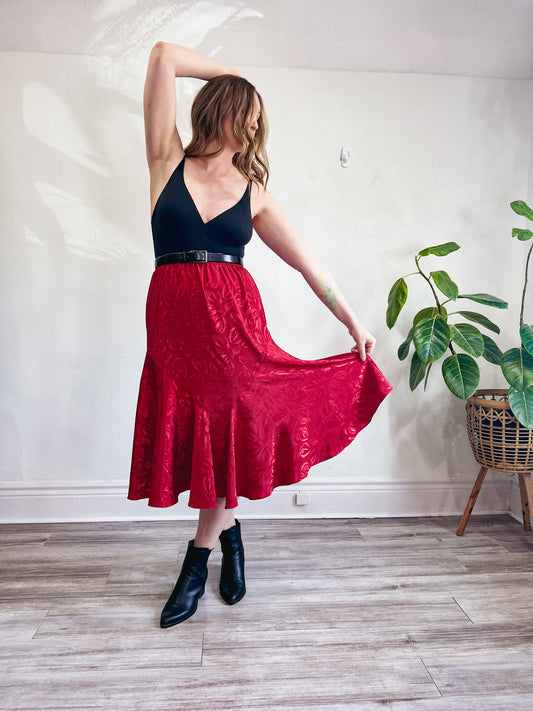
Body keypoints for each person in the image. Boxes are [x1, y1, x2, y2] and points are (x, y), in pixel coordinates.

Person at [128, 42, 392, 628]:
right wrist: (238, 73)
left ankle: (197, 560)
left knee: (223, 430)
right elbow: (163, 56)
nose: (252, 126)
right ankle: (232, 535)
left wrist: (351, 319)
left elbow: (309, 265)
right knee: (200, 429)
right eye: (247, 113)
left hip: (234, 325)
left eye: (257, 121)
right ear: (223, 106)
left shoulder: (254, 193)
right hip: (174, 323)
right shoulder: (165, 159)